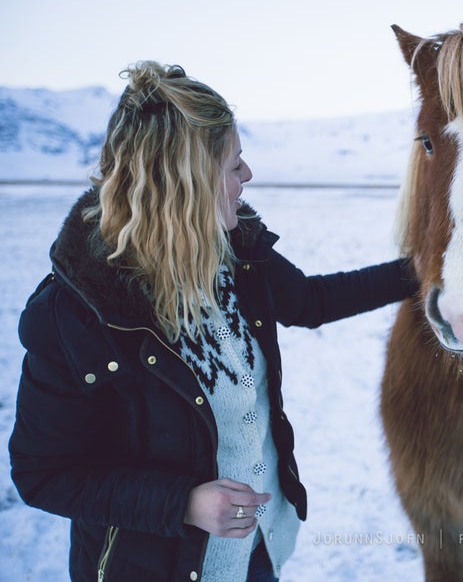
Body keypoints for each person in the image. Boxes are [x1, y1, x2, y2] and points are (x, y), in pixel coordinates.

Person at [8, 61, 417, 582]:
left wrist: (422, 270)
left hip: (259, 547)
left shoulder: (237, 254)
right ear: (187, 184)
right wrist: (185, 504)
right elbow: (44, 474)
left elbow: (312, 301)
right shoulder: (73, 314)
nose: (247, 177)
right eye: (233, 165)